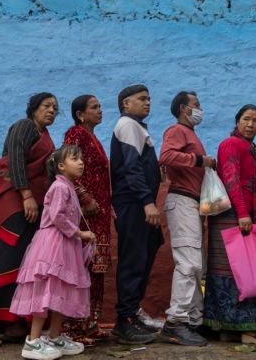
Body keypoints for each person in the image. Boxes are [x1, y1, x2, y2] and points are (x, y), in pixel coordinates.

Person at [0, 93, 57, 341]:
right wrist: (27, 195)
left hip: (34, 206)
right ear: (33, 109)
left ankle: (10, 320)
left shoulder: (46, 137)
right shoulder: (24, 127)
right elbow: (16, 160)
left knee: (26, 263)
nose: (51, 110)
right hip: (13, 201)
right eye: (46, 106)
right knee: (9, 259)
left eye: (54, 108)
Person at [206, 105, 256, 345]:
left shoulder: (250, 148)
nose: (251, 124)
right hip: (234, 217)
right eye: (246, 119)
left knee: (243, 269)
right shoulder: (231, 145)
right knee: (241, 271)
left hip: (245, 216)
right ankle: (248, 329)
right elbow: (231, 180)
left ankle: (230, 328)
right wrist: (242, 214)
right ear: (237, 121)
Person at [10, 145, 94, 359]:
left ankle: (55, 337)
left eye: (81, 158)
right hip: (54, 244)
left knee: (61, 293)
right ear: (61, 166)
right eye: (75, 158)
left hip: (66, 245)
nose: (81, 162)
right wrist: (80, 233)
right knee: (46, 291)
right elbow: (57, 216)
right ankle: (33, 341)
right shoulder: (60, 187)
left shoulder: (69, 187)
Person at [158, 92, 212, 346]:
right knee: (189, 264)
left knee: (197, 265)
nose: (200, 109)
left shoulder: (191, 134)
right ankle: (175, 322)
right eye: (196, 105)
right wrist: (200, 160)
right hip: (181, 201)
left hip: (192, 203)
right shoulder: (176, 130)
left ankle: (192, 321)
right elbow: (166, 157)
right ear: (183, 109)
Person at [110, 84, 162, 344]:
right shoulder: (127, 125)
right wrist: (147, 202)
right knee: (133, 259)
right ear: (125, 104)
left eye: (149, 99)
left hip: (140, 203)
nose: (147, 103)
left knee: (146, 253)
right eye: (141, 99)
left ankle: (133, 312)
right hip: (132, 204)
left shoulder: (138, 127)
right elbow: (131, 169)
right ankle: (124, 322)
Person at [62, 96, 112, 343]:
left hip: (100, 213)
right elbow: (70, 168)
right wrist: (84, 197)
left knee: (96, 269)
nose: (100, 111)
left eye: (100, 107)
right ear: (80, 114)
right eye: (94, 108)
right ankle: (72, 327)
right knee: (81, 267)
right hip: (85, 214)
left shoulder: (93, 137)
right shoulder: (75, 134)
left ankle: (91, 323)